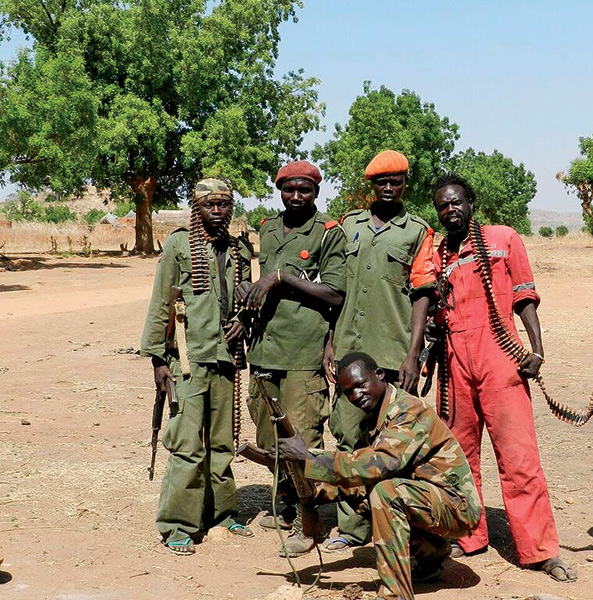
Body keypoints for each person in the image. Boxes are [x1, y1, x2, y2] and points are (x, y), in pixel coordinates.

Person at [429, 173, 576, 582]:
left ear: (471, 202)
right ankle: (469, 535)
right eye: (442, 205)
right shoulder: (437, 251)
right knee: (459, 455)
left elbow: (524, 297)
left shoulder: (504, 238)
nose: (450, 209)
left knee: (518, 457)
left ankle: (540, 550)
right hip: (453, 360)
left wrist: (537, 348)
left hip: (500, 355)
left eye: (456, 201)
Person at [272, 352, 482, 600]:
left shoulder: (408, 412)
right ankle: (432, 555)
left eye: (361, 385)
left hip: (457, 507)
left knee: (386, 493)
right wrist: (316, 492)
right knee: (369, 494)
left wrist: (309, 460)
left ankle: (395, 594)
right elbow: (361, 477)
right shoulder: (371, 421)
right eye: (348, 392)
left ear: (379, 375)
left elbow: (379, 464)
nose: (356, 395)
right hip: (427, 499)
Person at [323, 150, 436, 551]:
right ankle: (352, 529)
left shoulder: (418, 231)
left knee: (395, 444)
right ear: (371, 185)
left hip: (392, 354)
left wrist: (412, 354)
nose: (389, 188)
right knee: (349, 437)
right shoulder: (348, 225)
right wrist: (331, 342)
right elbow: (336, 292)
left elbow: (423, 294)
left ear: (406, 184)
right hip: (352, 354)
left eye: (397, 181)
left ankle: (395, 523)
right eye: (381, 182)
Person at [235, 160, 346, 556]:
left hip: (304, 352)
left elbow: (335, 293)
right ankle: (284, 506)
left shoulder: (328, 233)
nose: (296, 197)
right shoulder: (266, 228)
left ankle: (308, 520)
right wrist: (251, 290)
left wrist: (280, 278)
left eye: (305, 191)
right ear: (279, 189)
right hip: (265, 347)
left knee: (301, 439)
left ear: (316, 193)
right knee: (268, 436)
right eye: (289, 190)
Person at [140, 178, 254, 555]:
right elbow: (161, 302)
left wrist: (242, 318)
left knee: (222, 444)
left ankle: (223, 513)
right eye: (210, 205)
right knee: (188, 446)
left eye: (224, 204)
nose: (217, 211)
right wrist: (158, 360)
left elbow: (244, 298)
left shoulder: (238, 250)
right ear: (197, 208)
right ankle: (177, 524)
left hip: (225, 359)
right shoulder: (178, 244)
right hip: (189, 361)